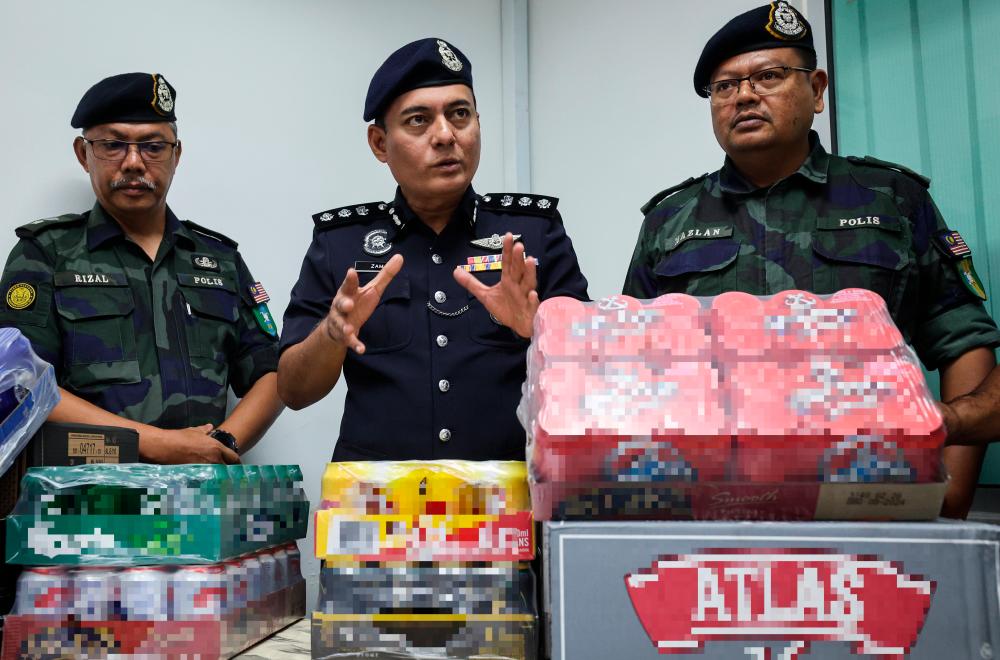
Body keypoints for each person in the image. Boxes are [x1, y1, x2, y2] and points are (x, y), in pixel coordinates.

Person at [623, 2, 1000, 518]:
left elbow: (963, 341)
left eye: (769, 76)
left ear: (817, 91)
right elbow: (633, 365)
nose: (745, 96)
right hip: (713, 498)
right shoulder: (670, 220)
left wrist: (951, 488)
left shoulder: (889, 199)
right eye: (725, 87)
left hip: (870, 494)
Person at [278, 38, 588, 460]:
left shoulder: (532, 235)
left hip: (506, 502)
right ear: (380, 144)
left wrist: (538, 331)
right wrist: (331, 335)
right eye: (419, 120)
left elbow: (592, 383)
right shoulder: (341, 243)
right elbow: (294, 391)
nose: (445, 135)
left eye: (460, 114)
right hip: (379, 507)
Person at [0, 73, 283, 464]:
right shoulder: (46, 253)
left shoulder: (220, 260)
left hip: (200, 498)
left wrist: (220, 445)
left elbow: (273, 372)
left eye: (152, 146)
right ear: (84, 154)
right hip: (84, 497)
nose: (134, 163)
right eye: (113, 145)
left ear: (175, 155)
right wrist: (152, 443)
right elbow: (21, 377)